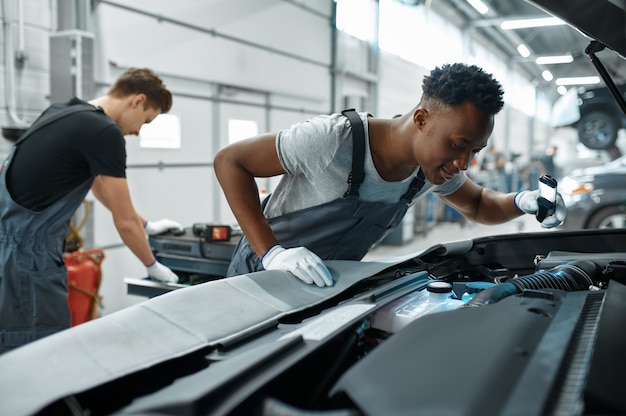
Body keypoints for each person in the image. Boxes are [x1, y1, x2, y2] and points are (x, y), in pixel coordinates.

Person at [214, 63, 566, 288]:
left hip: (327, 284)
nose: (463, 163)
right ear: (421, 119)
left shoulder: (429, 170)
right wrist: (273, 253)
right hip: (259, 276)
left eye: (475, 151)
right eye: (459, 145)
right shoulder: (333, 140)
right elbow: (230, 161)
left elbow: (478, 205)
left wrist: (523, 201)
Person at [0, 68, 183, 354]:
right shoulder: (105, 132)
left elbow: (98, 184)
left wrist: (145, 225)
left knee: (14, 344)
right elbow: (123, 223)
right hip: (29, 259)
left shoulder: (63, 111)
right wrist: (152, 266)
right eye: (145, 121)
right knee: (38, 352)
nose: (137, 131)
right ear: (137, 100)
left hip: (10, 250)